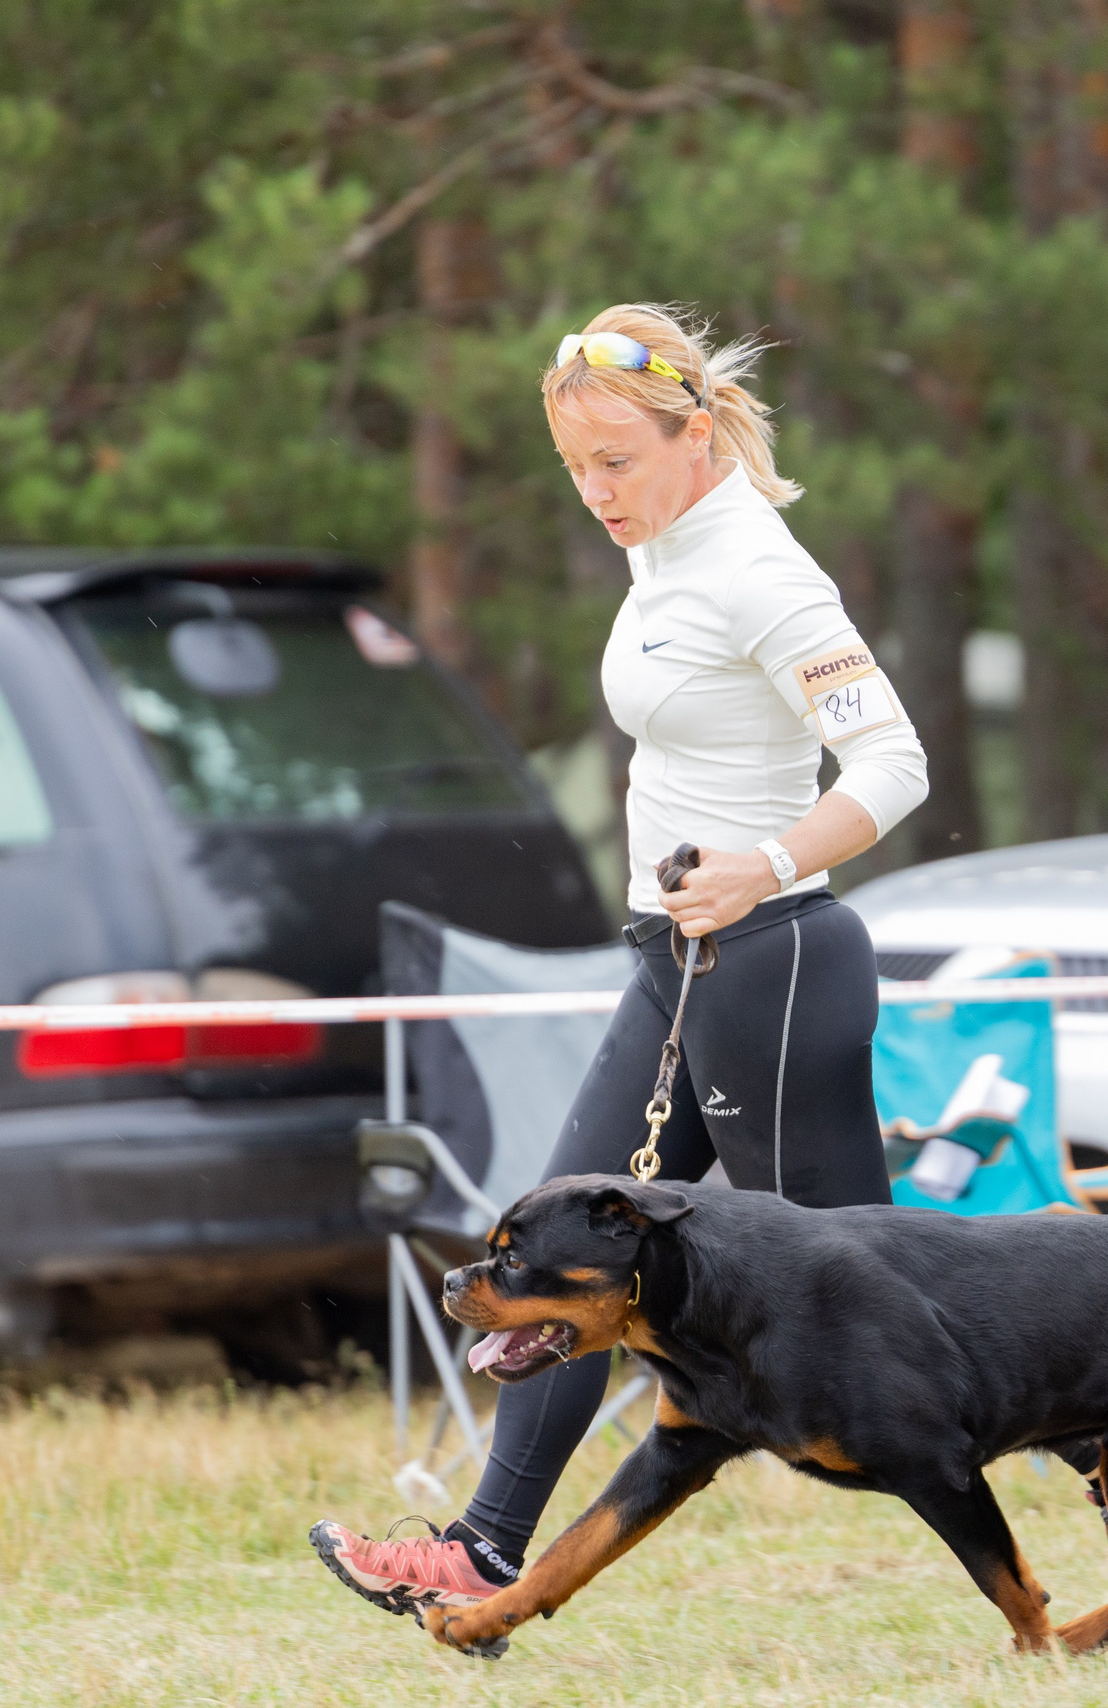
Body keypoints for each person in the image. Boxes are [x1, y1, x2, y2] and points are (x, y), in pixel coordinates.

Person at [313, 303, 928, 1616]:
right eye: (575, 468)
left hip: (772, 969)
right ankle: (483, 1547)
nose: (595, 493)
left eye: (618, 463)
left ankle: (1106, 1415)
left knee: (880, 1308)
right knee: (558, 1250)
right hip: (675, 965)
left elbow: (894, 765)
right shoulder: (666, 550)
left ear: (695, 437)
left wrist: (766, 858)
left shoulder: (763, 571)